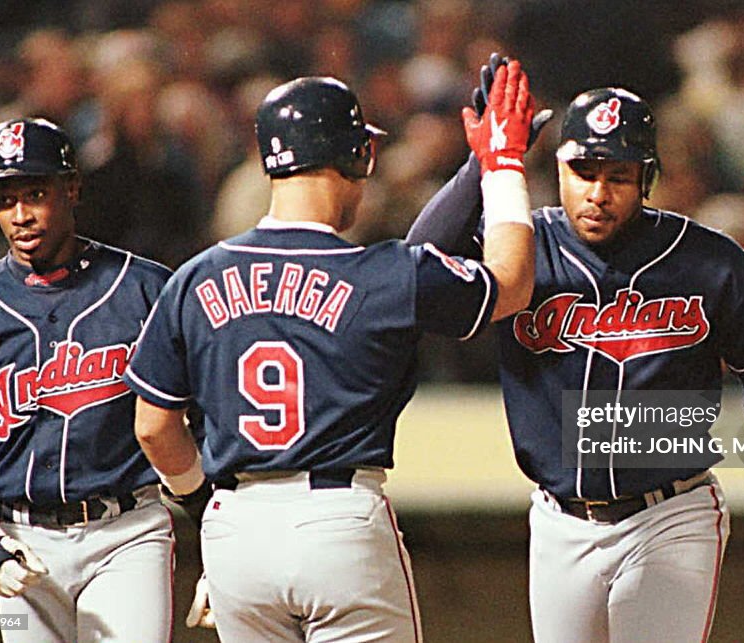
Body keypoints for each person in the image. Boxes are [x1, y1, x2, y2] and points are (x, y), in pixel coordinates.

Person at [122, 65, 536, 642]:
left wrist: (206, 503)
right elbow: (511, 283)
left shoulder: (194, 278)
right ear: (360, 156)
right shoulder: (383, 274)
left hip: (236, 530)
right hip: (341, 519)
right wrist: (505, 165)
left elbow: (152, 429)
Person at [407, 58, 744, 642]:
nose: (597, 193)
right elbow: (416, 273)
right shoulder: (522, 245)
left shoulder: (707, 259)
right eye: (582, 171)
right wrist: (483, 165)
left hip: (672, 513)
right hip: (557, 518)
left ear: (647, 178)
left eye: (617, 175)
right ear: (558, 167)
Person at [0, 118, 178, 642]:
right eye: (6, 200)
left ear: (71, 188)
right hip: (20, 537)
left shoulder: (144, 289)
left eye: (35, 193)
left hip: (127, 531)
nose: (21, 214)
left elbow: (198, 418)